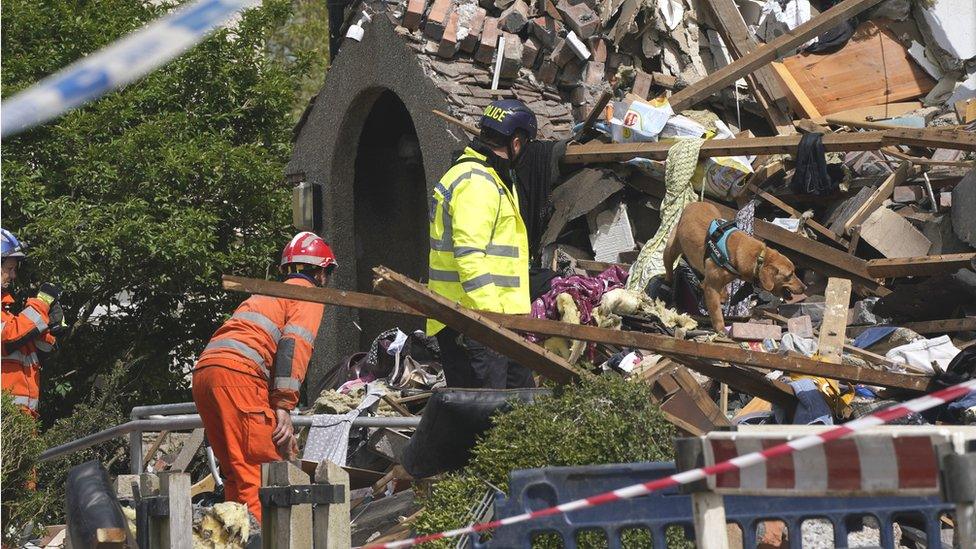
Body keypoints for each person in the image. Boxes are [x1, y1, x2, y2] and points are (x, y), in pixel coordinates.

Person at [192, 231, 336, 521]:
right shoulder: (306, 294)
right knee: (257, 473)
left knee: (235, 472)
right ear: (321, 272)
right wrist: (283, 406)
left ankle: (236, 537)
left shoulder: (266, 294)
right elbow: (294, 347)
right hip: (238, 377)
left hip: (206, 374)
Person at [427, 99, 538, 389]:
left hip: (489, 322)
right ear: (516, 143)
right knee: (484, 423)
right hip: (476, 323)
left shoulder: (487, 178)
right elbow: (470, 256)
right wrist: (493, 319)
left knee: (516, 412)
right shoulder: (477, 183)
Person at [2, 228, 64, 418]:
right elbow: (9, 338)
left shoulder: (6, 310)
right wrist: (42, 303)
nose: (13, 276)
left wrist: (51, 327)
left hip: (20, 422)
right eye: (9, 269)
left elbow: (42, 348)